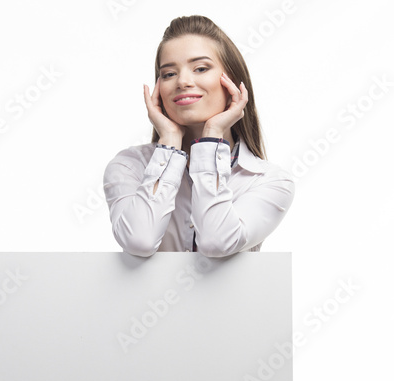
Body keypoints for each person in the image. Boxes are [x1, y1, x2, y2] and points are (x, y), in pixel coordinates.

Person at [103, 15, 295, 258]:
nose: (183, 81)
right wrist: (170, 143)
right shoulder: (129, 166)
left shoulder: (269, 181)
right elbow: (140, 240)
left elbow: (217, 243)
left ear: (232, 83)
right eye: (169, 74)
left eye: (201, 68)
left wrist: (212, 137)